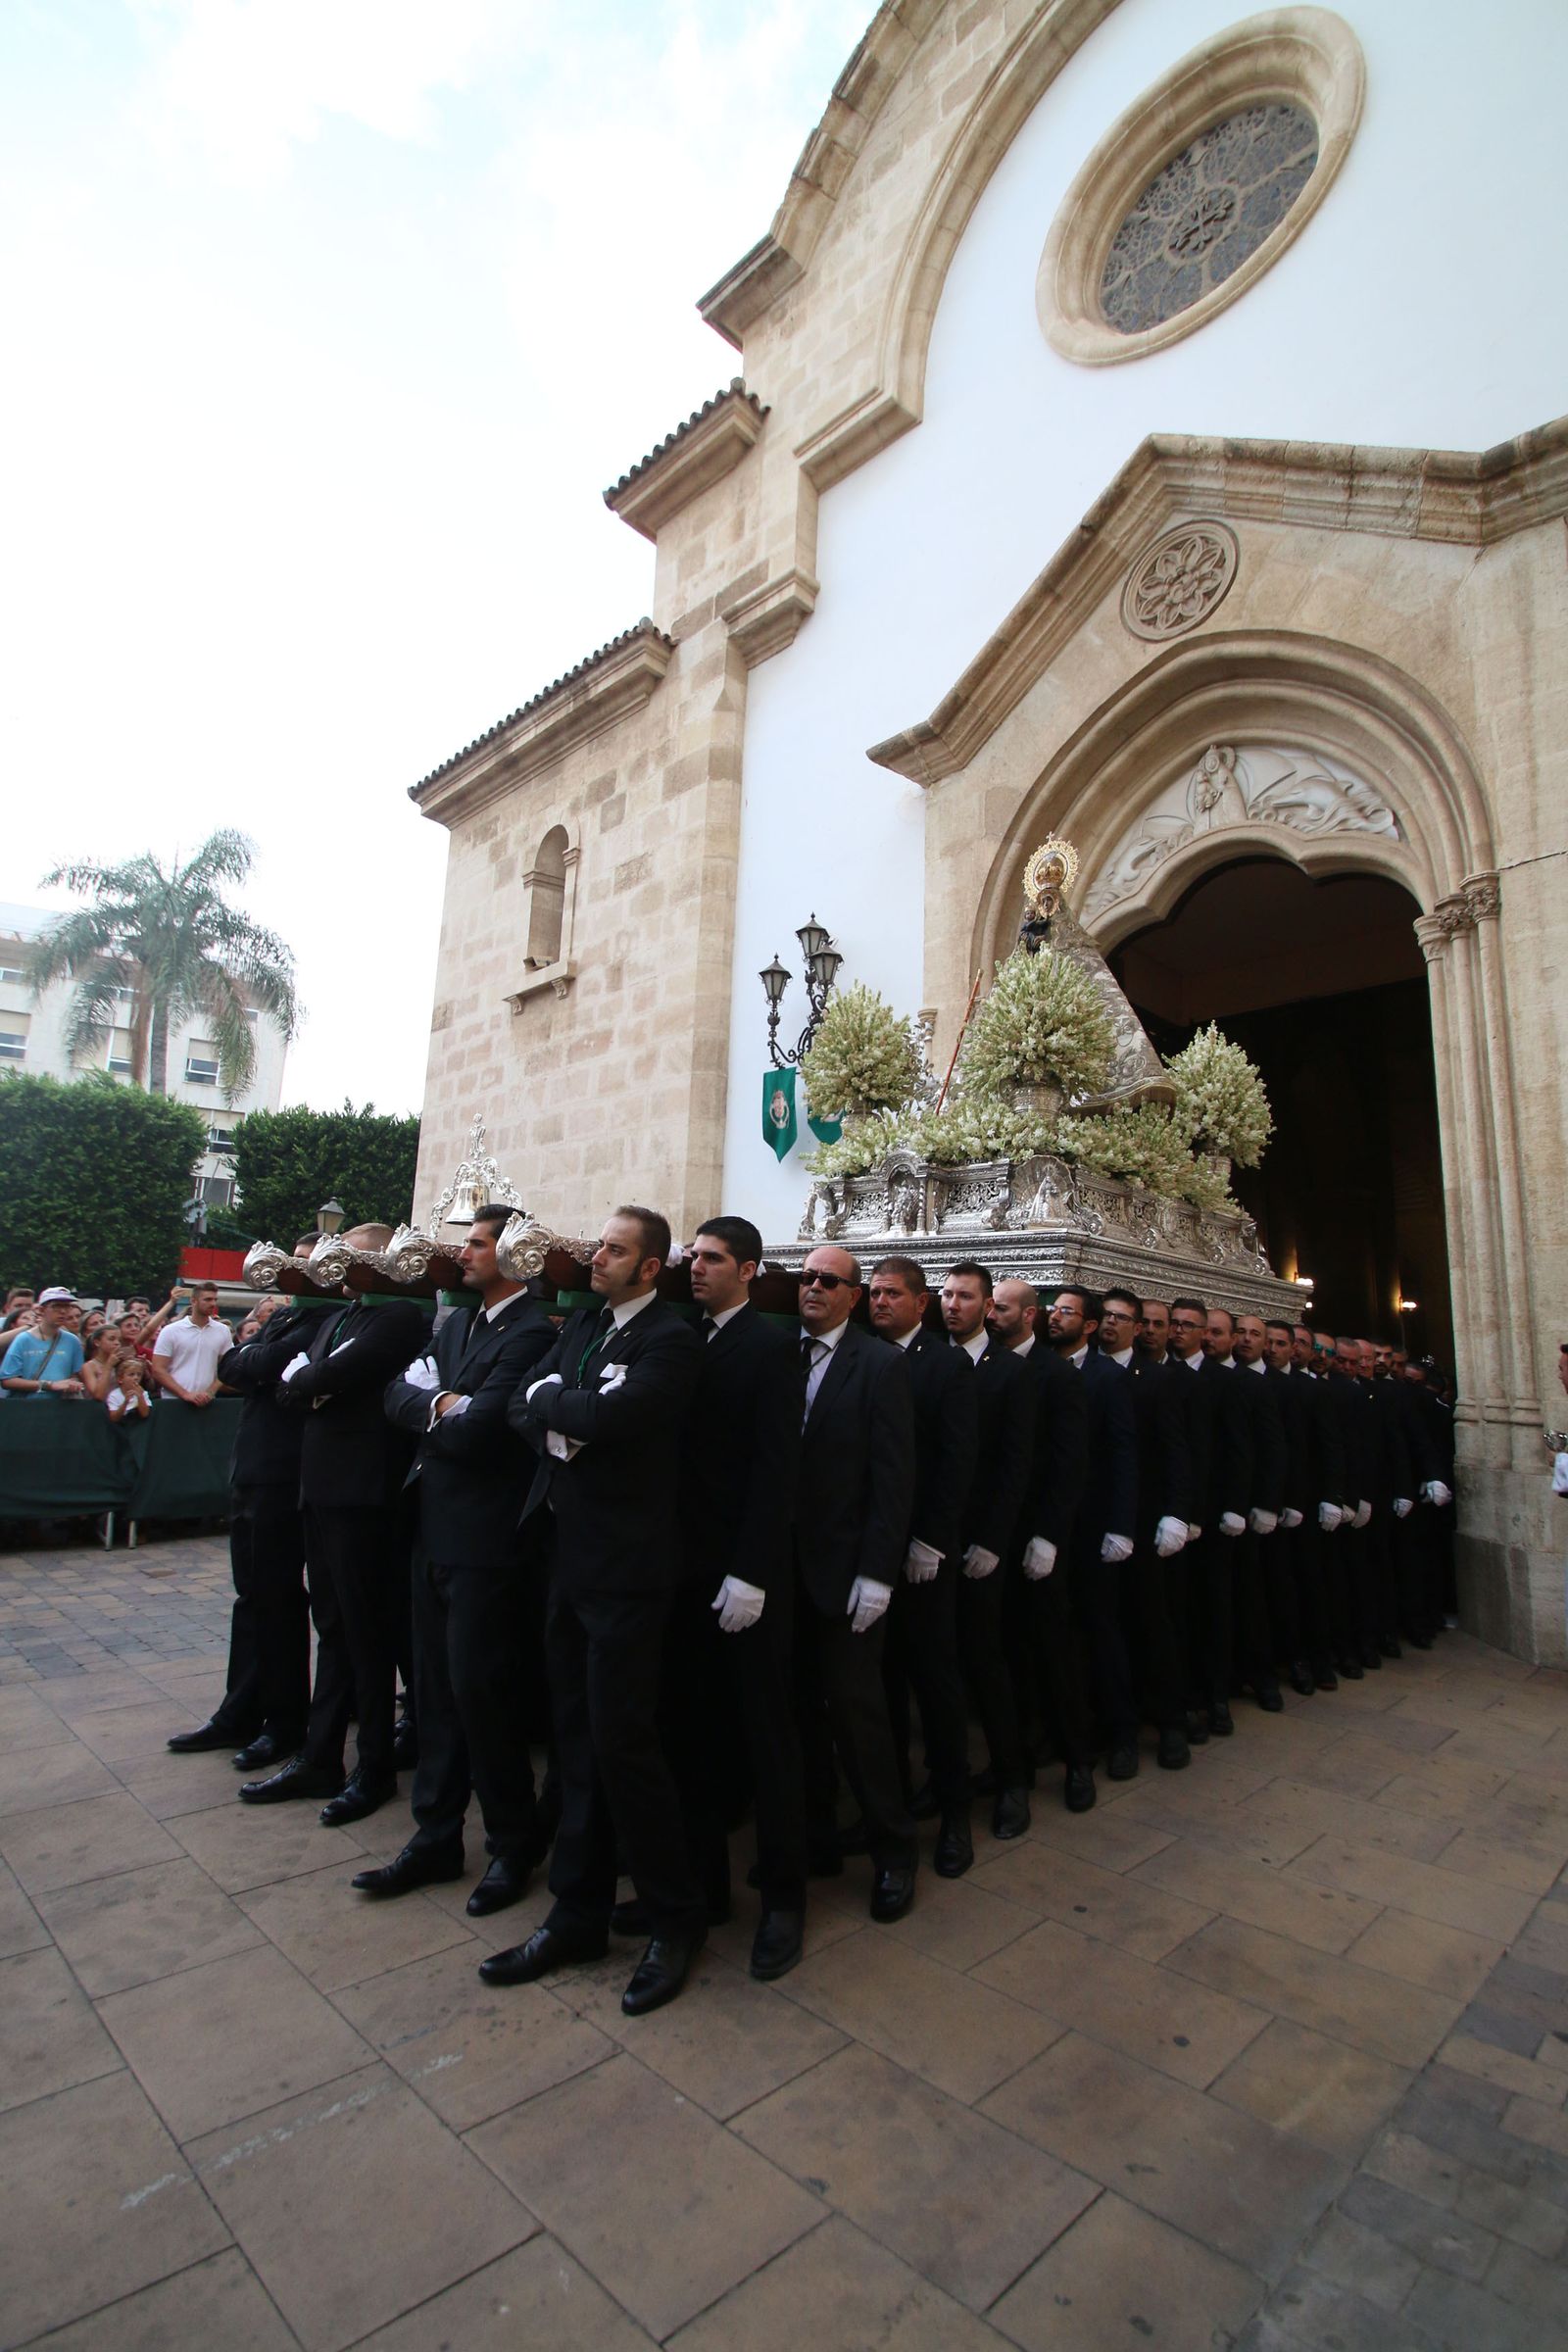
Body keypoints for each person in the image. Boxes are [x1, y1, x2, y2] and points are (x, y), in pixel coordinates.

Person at [485, 1206, 708, 2017]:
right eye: (599, 1246)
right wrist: (565, 1416)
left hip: (629, 1574)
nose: (596, 1259)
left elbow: (620, 1417)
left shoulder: (670, 1340)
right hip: (569, 1562)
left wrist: (563, 1407)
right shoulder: (584, 1328)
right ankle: (576, 1915)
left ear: (650, 1267)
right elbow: (520, 1403)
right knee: (575, 1742)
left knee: (625, 1746)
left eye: (615, 1250)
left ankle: (675, 1918)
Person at [361, 1207, 559, 1916]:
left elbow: (485, 1430)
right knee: (436, 1694)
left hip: (486, 1542)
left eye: (477, 1243)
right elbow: (393, 1394)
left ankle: (511, 1843)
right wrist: (444, 1403)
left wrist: (433, 1401)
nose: (464, 1253)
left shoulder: (533, 1331)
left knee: (483, 1695)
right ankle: (436, 1835)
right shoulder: (455, 1325)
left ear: (513, 1254)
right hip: (433, 1527)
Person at [662, 1215, 808, 1981]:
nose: (697, 1268)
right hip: (683, 1567)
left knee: (765, 1739)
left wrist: (751, 1573)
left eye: (713, 1259)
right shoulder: (683, 1333)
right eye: (693, 1256)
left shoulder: (770, 1346)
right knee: (693, 1735)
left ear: (748, 1270)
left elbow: (776, 1470)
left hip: (745, 1576)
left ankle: (784, 1899)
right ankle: (704, 1891)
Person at [239, 1227, 424, 1824]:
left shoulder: (397, 1316)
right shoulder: (342, 1317)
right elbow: (293, 1389)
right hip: (320, 1489)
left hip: (363, 1495)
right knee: (335, 1628)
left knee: (367, 1635)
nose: (332, 1264)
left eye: (347, 1253)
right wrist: (311, 1381)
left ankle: (373, 1768)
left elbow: (312, 1378)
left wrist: (311, 1380)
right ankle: (321, 1757)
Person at [786, 1243, 920, 1924]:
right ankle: (816, 1836)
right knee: (797, 1714)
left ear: (853, 1296)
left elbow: (893, 1479)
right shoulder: (780, 1354)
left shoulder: (880, 1365)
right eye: (806, 1277)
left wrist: (876, 1573)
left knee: (857, 1714)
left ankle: (894, 1851)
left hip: (846, 1573)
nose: (813, 1288)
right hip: (782, 1571)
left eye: (828, 1281)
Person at [171, 1236, 319, 1767]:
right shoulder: (287, 1317)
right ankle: (239, 1710)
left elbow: (260, 1362)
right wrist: (254, 1362)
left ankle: (283, 1720)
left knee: (278, 1599)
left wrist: (254, 1362)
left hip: (285, 1474)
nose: (292, 1271)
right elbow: (234, 1364)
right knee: (251, 1597)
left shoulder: (320, 1321)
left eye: (305, 1264)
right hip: (253, 1470)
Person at [865, 1254, 979, 1880]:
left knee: (935, 1682)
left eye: (891, 1294)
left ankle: (955, 1812)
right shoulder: (860, 1352)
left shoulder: (945, 1364)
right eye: (874, 1293)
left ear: (920, 1302)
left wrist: (931, 1541)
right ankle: (892, 1802)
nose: (879, 1303)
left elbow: (956, 1461)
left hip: (922, 1550)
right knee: (879, 1684)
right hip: (870, 1547)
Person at [944, 1267, 1042, 1832]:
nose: (952, 1305)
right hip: (932, 1538)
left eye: (965, 1296)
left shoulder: (1009, 1372)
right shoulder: (929, 1359)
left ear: (987, 1308)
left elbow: (1015, 1464)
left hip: (981, 1540)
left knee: (985, 1660)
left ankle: (1012, 1779)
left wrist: (993, 1541)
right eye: (946, 1295)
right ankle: (947, 1777)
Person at [1098, 1288, 1192, 1774]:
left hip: (1145, 1518)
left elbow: (1176, 1451)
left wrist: (1177, 1512)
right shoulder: (1086, 1372)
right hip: (1099, 1521)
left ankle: (1171, 1722)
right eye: (1106, 1316)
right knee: (1104, 1629)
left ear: (1136, 1328)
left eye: (1121, 1318)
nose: (1111, 1324)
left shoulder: (1157, 1379)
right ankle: (1119, 1730)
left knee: (1152, 1622)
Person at [1048, 1285, 1138, 1771]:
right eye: (1052, 1308)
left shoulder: (1108, 1377)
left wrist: (1121, 1525)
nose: (1054, 1316)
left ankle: (1121, 1732)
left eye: (1066, 1311)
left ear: (1088, 1325)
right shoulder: (1040, 1366)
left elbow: (1122, 1454)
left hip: (1091, 1522)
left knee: (1100, 1629)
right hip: (1048, 1523)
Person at [1167, 1297, 1252, 1736]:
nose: (1178, 1331)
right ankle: (1179, 1698)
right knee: (1175, 1610)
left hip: (1215, 1513)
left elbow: (1238, 1450)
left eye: (1188, 1325)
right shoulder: (1161, 1373)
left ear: (1204, 1333)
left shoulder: (1226, 1381)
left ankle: (1216, 1696)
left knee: (1214, 1607)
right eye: (1175, 1323)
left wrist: (1234, 1506)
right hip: (1172, 1515)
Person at [148, 1280, 233, 1406]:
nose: (213, 1304)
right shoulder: (171, 1330)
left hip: (207, 1403)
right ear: (193, 1301)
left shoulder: (223, 1331)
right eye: (207, 1300)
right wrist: (185, 1394)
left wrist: (210, 1391)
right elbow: (158, 1369)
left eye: (215, 1299)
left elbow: (227, 1366)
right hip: (173, 1401)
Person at [0, 1288, 86, 1397]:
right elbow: (7, 1380)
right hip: (28, 1404)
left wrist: (72, 1385)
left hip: (60, 1405)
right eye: (56, 1306)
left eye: (67, 1306)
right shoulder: (23, 1339)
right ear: (41, 1310)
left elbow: (77, 1374)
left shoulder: (72, 1341)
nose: (63, 1311)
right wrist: (49, 1385)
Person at [79, 1323, 123, 1403]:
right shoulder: (89, 1366)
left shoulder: (121, 1363)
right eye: (111, 1339)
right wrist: (109, 1365)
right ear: (97, 1342)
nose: (117, 1343)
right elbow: (98, 1396)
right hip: (97, 1408)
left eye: (119, 1340)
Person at [106, 1354, 151, 1422]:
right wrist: (126, 1402)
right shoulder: (114, 1395)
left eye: (139, 1374)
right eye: (131, 1374)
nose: (136, 1378)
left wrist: (140, 1397)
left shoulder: (143, 1393)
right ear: (120, 1379)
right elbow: (114, 1418)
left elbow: (145, 1414)